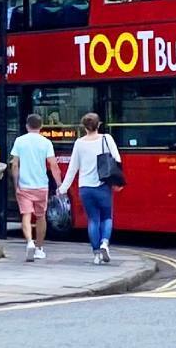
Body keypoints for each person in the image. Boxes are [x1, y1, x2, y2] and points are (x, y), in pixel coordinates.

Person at [58, 113, 122, 265]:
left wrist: (63, 188)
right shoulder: (107, 139)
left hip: (85, 188)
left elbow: (73, 169)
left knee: (93, 220)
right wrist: (118, 182)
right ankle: (104, 242)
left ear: (84, 127)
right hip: (103, 186)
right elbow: (117, 159)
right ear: (98, 125)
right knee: (106, 217)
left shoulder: (79, 143)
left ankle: (96, 255)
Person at [11, 114, 63, 262]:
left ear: (27, 126)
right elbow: (53, 165)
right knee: (41, 216)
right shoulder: (46, 142)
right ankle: (39, 248)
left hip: (24, 185)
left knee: (26, 215)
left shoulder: (19, 141)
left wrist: (16, 183)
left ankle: (29, 242)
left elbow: (14, 164)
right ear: (41, 127)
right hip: (41, 185)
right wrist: (59, 184)